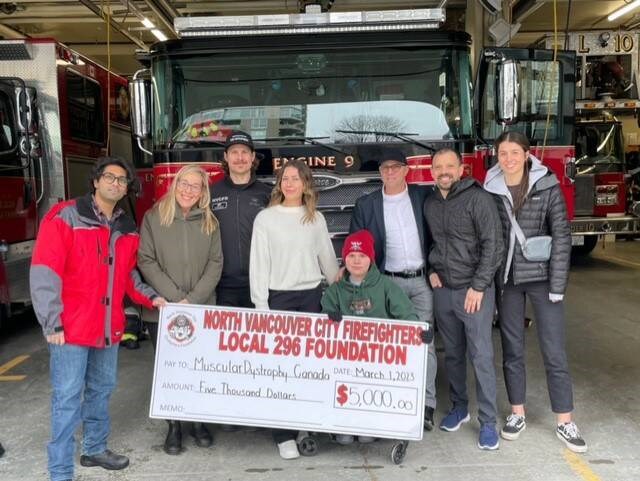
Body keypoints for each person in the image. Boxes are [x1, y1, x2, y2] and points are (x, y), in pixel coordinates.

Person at [29, 157, 166, 481]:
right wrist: (52, 322)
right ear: (96, 181)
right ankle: (60, 469)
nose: (116, 184)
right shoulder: (66, 216)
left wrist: (151, 297)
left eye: (122, 180)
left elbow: (127, 276)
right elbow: (44, 270)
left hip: (108, 328)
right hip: (70, 329)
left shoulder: (126, 227)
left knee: (101, 390)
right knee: (66, 398)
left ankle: (94, 447)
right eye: (110, 177)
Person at [484, 131, 587, 453]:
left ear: (528, 154)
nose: (509, 159)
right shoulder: (490, 187)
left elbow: (561, 236)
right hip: (509, 280)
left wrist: (558, 286)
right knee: (512, 348)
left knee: (554, 350)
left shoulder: (547, 185)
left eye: (515, 152)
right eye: (503, 153)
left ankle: (565, 420)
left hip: (542, 279)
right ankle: (517, 413)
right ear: (497, 156)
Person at [250, 158, 339, 459]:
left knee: (309, 368)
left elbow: (328, 261)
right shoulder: (266, 218)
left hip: (311, 297)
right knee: (281, 371)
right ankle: (283, 434)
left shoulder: (315, 218)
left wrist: (342, 292)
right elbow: (259, 265)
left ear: (305, 184)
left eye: (296, 178)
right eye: (285, 178)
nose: (289, 183)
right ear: (279, 184)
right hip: (279, 299)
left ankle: (305, 426)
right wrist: (261, 305)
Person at [349, 146, 438, 431]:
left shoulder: (424, 197)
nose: (390, 172)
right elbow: (357, 246)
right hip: (387, 283)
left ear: (406, 170)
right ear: (380, 173)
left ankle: (426, 406)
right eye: (385, 168)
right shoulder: (367, 205)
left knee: (425, 345)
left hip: (423, 281)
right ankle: (393, 402)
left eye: (395, 167)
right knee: (387, 346)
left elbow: (440, 234)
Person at [138, 164, 223, 455]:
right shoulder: (153, 217)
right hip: (163, 309)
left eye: (195, 186)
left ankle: (198, 423)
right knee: (170, 371)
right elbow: (146, 261)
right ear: (175, 185)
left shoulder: (210, 222)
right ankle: (174, 426)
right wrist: (176, 299)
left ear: (203, 192)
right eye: (184, 184)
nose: (188, 190)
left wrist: (193, 300)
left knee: (199, 368)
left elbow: (216, 264)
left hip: (200, 308)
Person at [423, 147, 503, 450]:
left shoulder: (478, 199)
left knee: (481, 356)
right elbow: (430, 242)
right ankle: (459, 408)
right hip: (444, 290)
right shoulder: (430, 203)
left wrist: (479, 286)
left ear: (461, 169)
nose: (444, 171)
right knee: (453, 354)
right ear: (432, 171)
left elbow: (492, 246)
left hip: (475, 292)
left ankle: (488, 422)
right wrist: (432, 269)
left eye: (449, 166)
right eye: (438, 167)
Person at [321, 229, 433, 445]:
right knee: (344, 438)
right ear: (344, 259)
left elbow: (406, 313)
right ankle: (344, 422)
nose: (356, 261)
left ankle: (373, 421)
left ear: (370, 258)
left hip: (376, 367)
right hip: (346, 364)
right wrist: (329, 318)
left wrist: (420, 331)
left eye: (361, 256)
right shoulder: (336, 290)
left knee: (366, 437)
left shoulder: (385, 286)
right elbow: (323, 319)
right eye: (351, 256)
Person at [210, 130, 271, 308]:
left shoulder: (267, 193)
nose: (240, 158)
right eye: (234, 152)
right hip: (222, 287)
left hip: (260, 285)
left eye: (245, 152)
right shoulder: (212, 193)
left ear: (252, 157)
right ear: (226, 157)